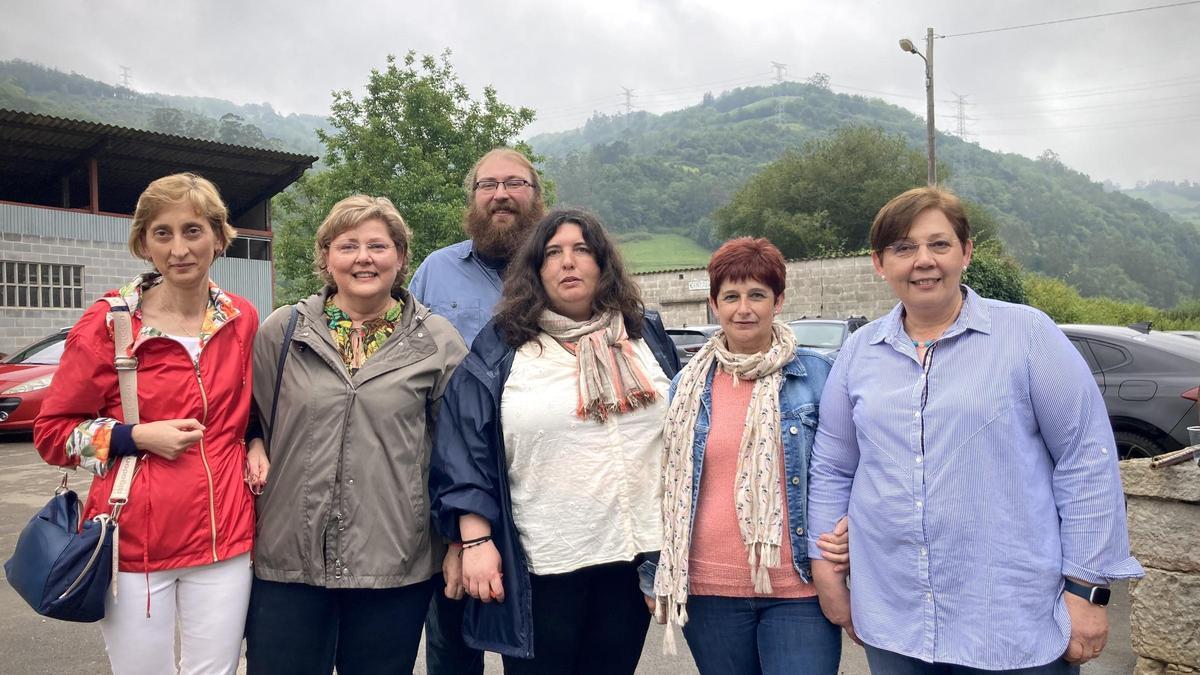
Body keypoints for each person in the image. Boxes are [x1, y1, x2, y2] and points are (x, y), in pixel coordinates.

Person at [807, 186, 1144, 674]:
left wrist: (1086, 591)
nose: (923, 261)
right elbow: (834, 466)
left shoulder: (1027, 335)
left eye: (939, 244)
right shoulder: (859, 353)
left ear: (965, 253)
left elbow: (1085, 458)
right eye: (904, 248)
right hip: (896, 617)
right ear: (880, 264)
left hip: (1010, 622)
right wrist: (827, 572)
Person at [430, 208, 681, 674]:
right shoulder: (504, 346)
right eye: (553, 253)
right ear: (536, 270)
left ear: (603, 265)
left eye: (582, 250)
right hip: (544, 563)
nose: (568, 263)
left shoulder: (644, 337)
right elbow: (464, 449)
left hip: (633, 558)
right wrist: (475, 541)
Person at [34, 172, 261, 675]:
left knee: (215, 671)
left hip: (225, 537)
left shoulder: (241, 318)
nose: (179, 248)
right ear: (144, 243)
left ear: (220, 238)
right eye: (163, 233)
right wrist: (133, 435)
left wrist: (256, 440)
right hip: (136, 542)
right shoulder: (109, 324)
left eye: (193, 230)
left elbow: (247, 410)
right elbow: (51, 435)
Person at [243, 195, 466, 675]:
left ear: (401, 257)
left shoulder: (438, 341)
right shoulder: (283, 331)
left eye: (378, 245)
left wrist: (459, 541)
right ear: (325, 257)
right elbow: (247, 419)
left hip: (393, 561)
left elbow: (459, 454)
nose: (363, 257)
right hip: (289, 558)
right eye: (348, 245)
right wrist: (253, 444)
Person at [653, 237, 843, 674]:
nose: (744, 309)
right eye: (731, 296)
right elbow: (662, 483)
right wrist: (655, 570)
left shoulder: (818, 375)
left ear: (778, 301)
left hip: (798, 588)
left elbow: (845, 468)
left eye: (757, 295)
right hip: (710, 590)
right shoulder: (687, 384)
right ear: (714, 304)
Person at [409, 147, 547, 675]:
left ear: (536, 196)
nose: (501, 195)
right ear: (473, 199)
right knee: (452, 645)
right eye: (488, 185)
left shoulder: (560, 267)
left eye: (515, 183)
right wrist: (449, 534)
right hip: (453, 483)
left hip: (539, 487)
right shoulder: (435, 272)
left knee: (534, 645)